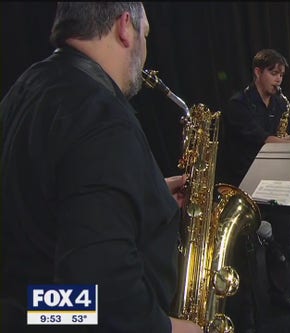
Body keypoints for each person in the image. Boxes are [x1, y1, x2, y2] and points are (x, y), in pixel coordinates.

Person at [0, 3, 201, 333]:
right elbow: (100, 293)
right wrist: (168, 328)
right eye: (145, 33)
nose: (145, 47)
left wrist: (146, 192)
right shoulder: (101, 117)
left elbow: (49, 201)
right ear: (125, 27)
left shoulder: (26, 87)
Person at [216, 48, 290, 331]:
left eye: (281, 75)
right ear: (258, 72)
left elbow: (276, 139)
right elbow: (258, 138)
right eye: (274, 73)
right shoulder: (238, 104)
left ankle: (279, 294)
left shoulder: (280, 103)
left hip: (271, 179)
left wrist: (285, 142)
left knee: (281, 239)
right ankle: (246, 311)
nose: (279, 80)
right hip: (242, 184)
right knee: (245, 253)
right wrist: (287, 143)